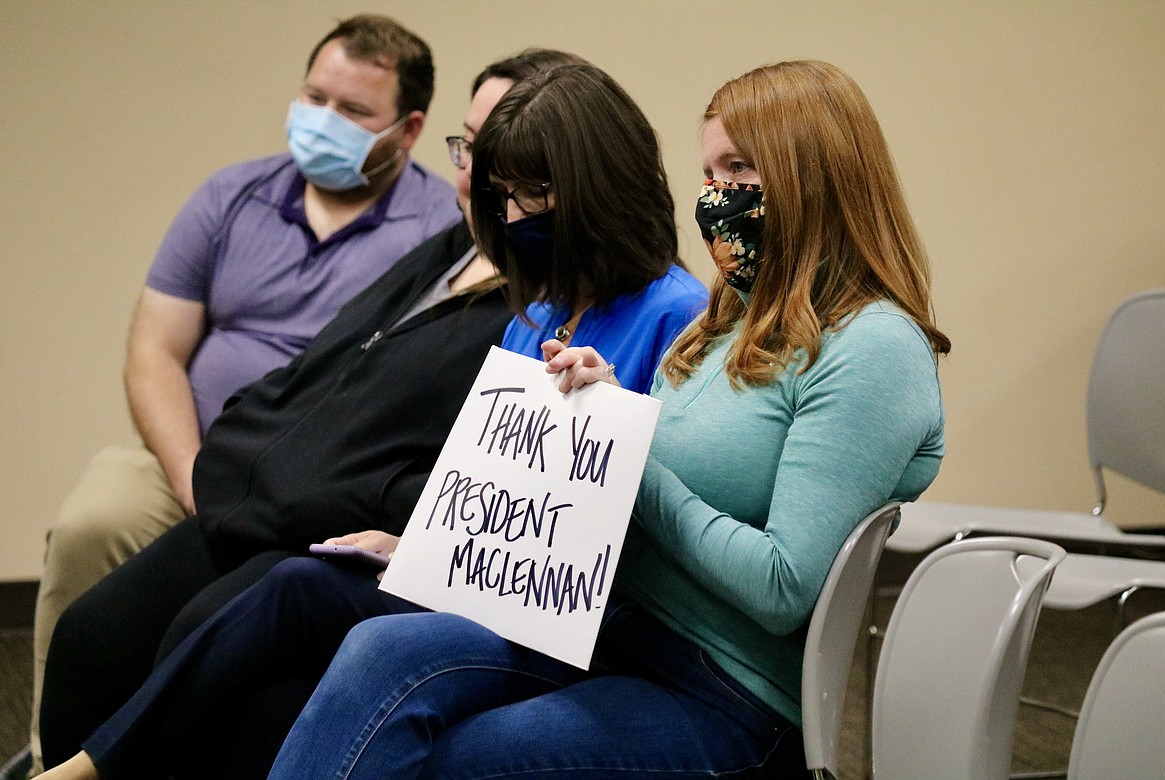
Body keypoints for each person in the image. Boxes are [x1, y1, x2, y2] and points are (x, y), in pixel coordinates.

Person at [263, 59, 952, 779]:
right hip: (608, 627)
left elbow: (783, 588)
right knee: (377, 649)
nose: (715, 196)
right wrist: (605, 408)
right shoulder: (731, 320)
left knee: (464, 759)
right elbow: (664, 470)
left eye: (739, 168)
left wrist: (631, 459)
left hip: (726, 689)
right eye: (710, 170)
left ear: (814, 175)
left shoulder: (873, 347)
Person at [37, 58, 708, 778]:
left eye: (533, 193)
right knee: (282, 630)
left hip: (565, 620)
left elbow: (649, 515)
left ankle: (89, 770)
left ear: (598, 185)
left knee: (287, 620)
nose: (512, 217)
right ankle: (91, 766)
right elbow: (490, 478)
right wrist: (414, 539)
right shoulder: (541, 309)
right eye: (503, 193)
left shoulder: (677, 311)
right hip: (473, 580)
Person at [26, 13, 459, 775]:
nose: (324, 122)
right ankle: (46, 751)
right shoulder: (232, 196)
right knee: (90, 527)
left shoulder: (435, 232)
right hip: (188, 455)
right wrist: (197, 474)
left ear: (409, 127)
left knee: (231, 609)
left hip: (316, 477)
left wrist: (258, 490)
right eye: (314, 97)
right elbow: (154, 352)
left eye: (353, 112)